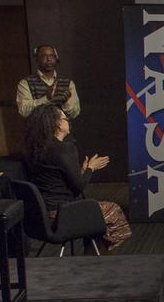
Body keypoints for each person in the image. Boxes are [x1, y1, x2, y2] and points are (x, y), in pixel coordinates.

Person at [22, 106, 131, 251]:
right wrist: (91, 168)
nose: (68, 121)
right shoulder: (65, 149)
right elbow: (78, 187)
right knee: (114, 210)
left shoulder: (36, 150)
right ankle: (92, 258)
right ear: (57, 124)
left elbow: (57, 181)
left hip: (40, 217)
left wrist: (81, 170)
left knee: (96, 218)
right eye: (64, 118)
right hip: (63, 215)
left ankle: (91, 255)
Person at [16, 44, 79, 120]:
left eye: (52, 55)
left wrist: (65, 103)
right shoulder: (26, 83)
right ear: (37, 59)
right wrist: (46, 98)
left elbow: (75, 113)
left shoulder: (68, 83)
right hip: (36, 131)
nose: (49, 59)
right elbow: (23, 111)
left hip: (62, 131)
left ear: (56, 58)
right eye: (44, 56)